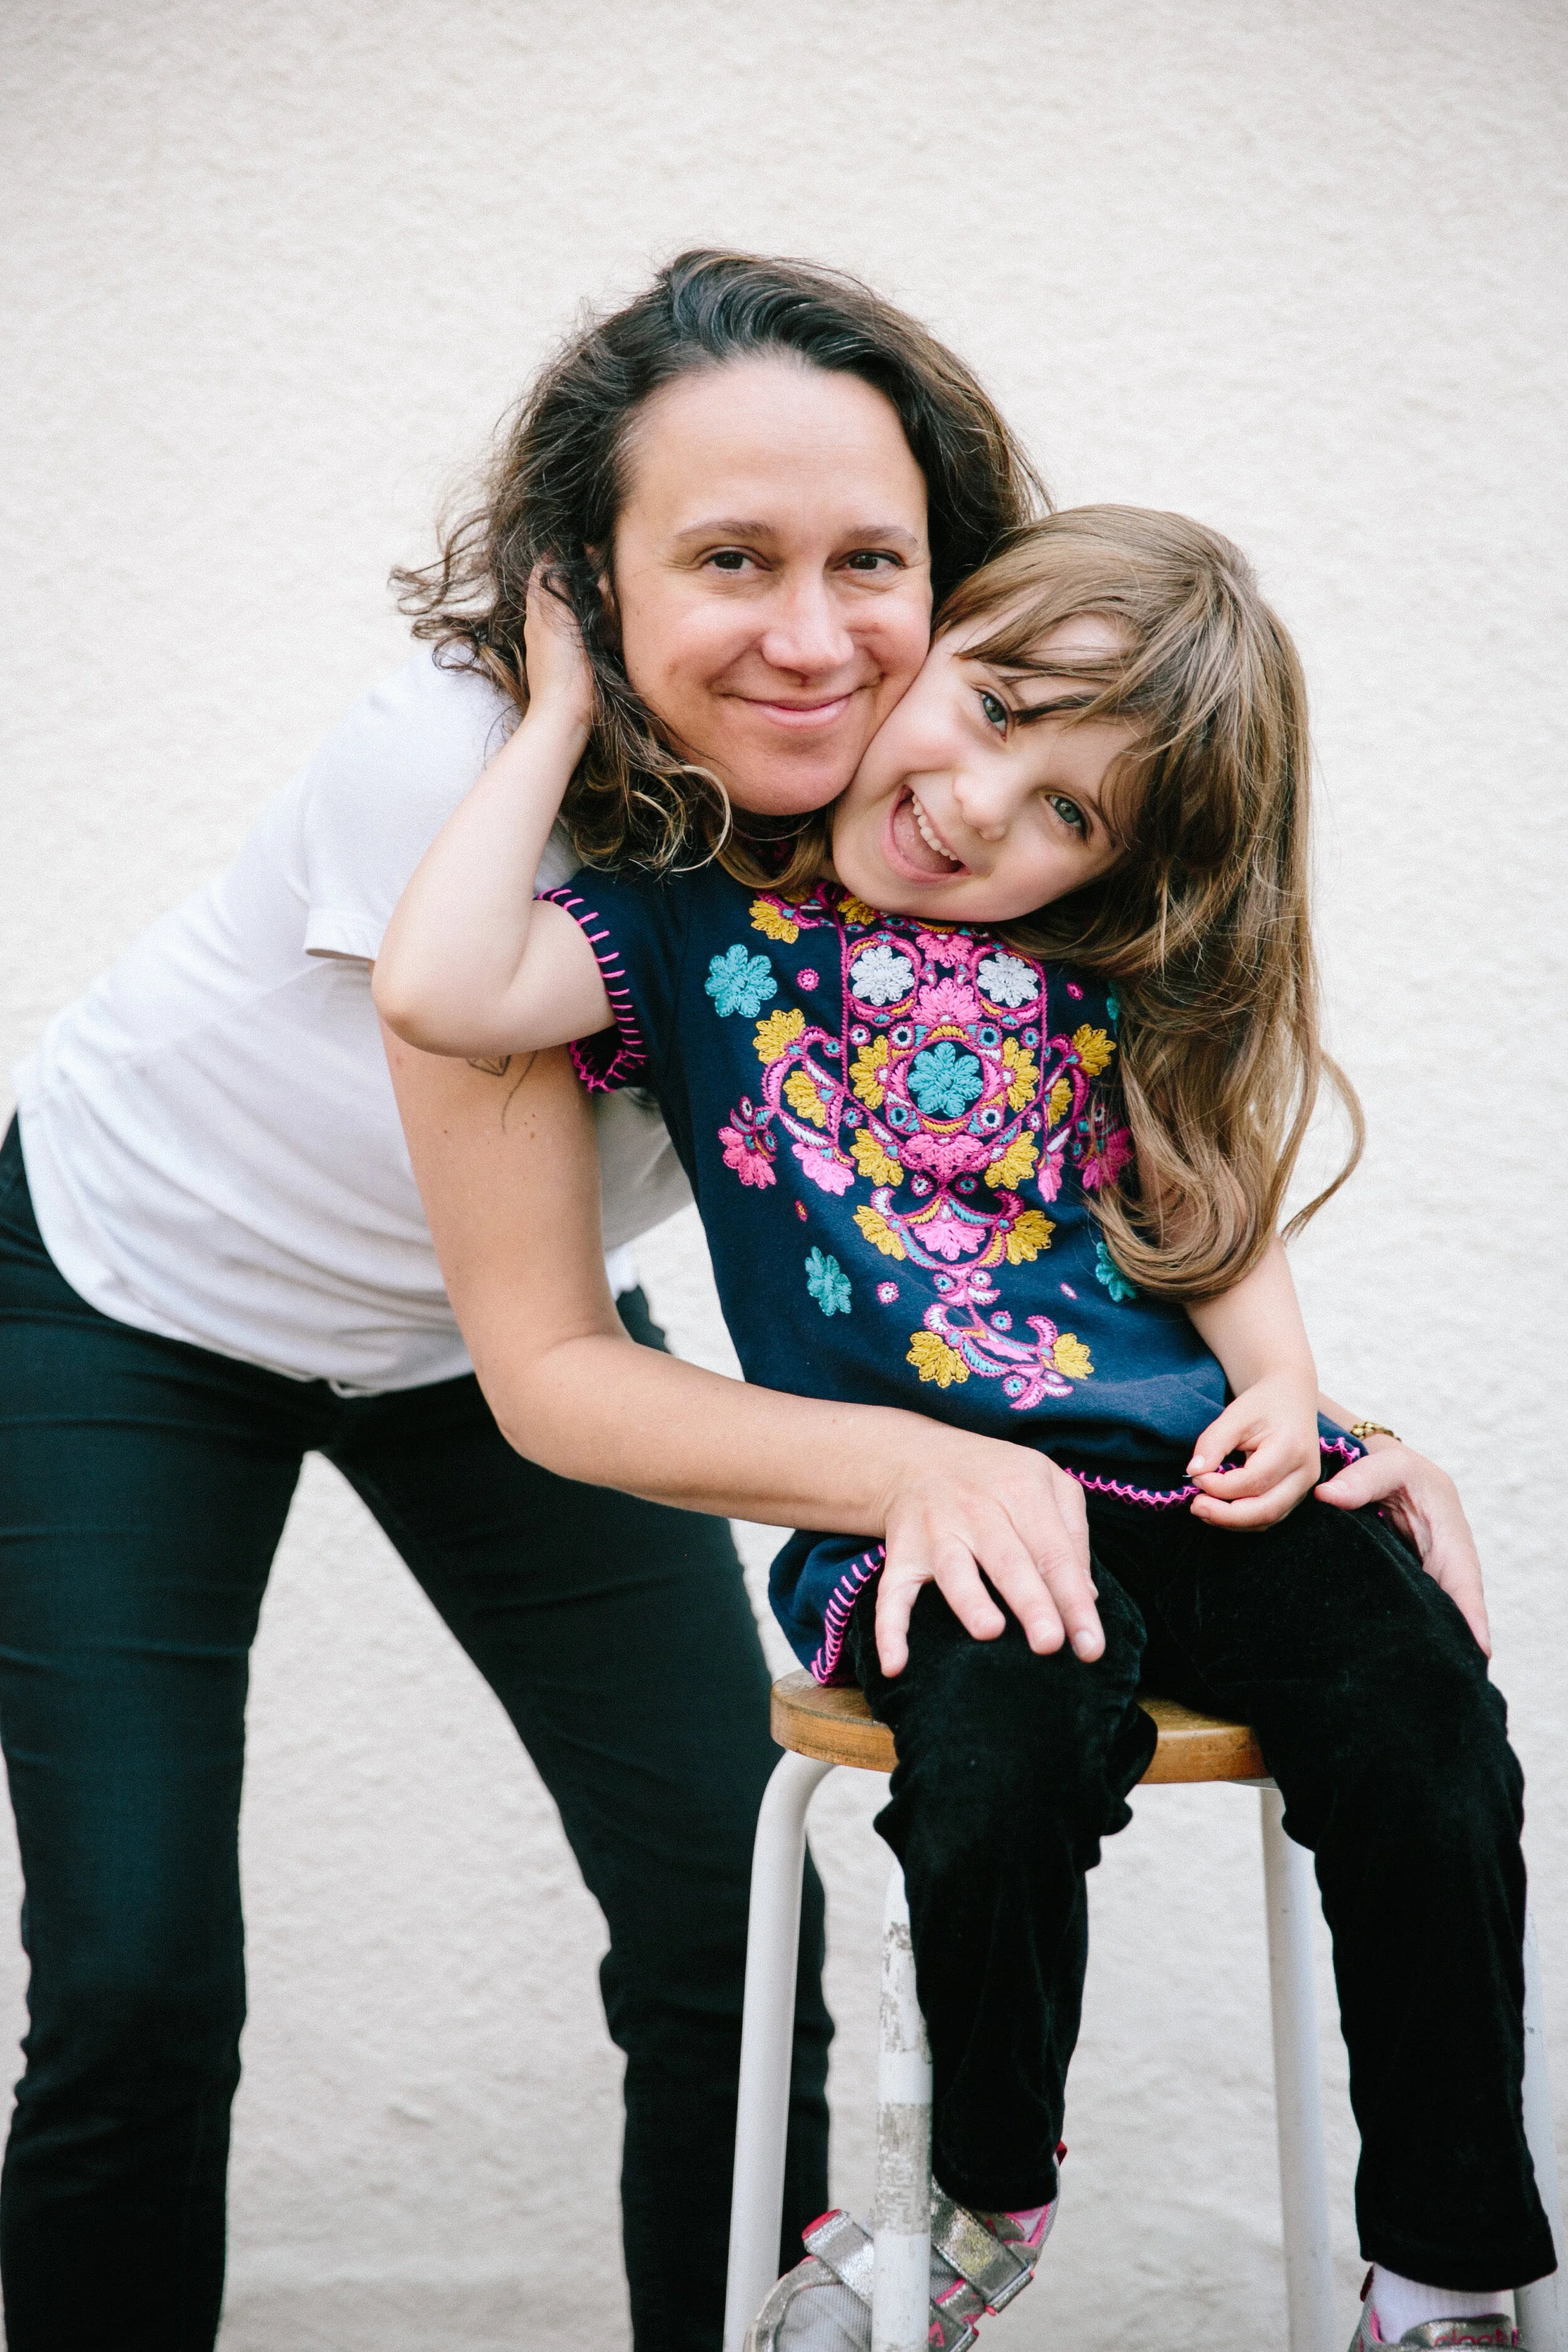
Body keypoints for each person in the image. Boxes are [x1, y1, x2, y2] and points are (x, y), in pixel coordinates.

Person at [0, 249, 1072, 2352]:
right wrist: (910, 1459)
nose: (807, 630)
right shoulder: (457, 765)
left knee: (723, 1924)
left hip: (488, 1340)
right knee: (136, 1979)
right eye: (728, 557)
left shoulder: (935, 814)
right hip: (123, 1303)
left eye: (873, 558)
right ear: (581, 577)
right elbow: (549, 1359)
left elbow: (1088, 1184)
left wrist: (1305, 1422)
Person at [374, 504, 1554, 2352]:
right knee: (999, 1764)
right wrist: (552, 722)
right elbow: (437, 988)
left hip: (1181, 1473)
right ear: (926, 645)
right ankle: (975, 2197)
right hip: (927, 1505)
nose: (987, 805)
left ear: (1118, 866)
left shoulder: (1090, 972)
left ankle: (1446, 2266)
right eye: (992, 706)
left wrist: (1284, 1393)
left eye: (1073, 809)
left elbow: (1203, 1180)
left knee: (1428, 1738)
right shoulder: (692, 933)